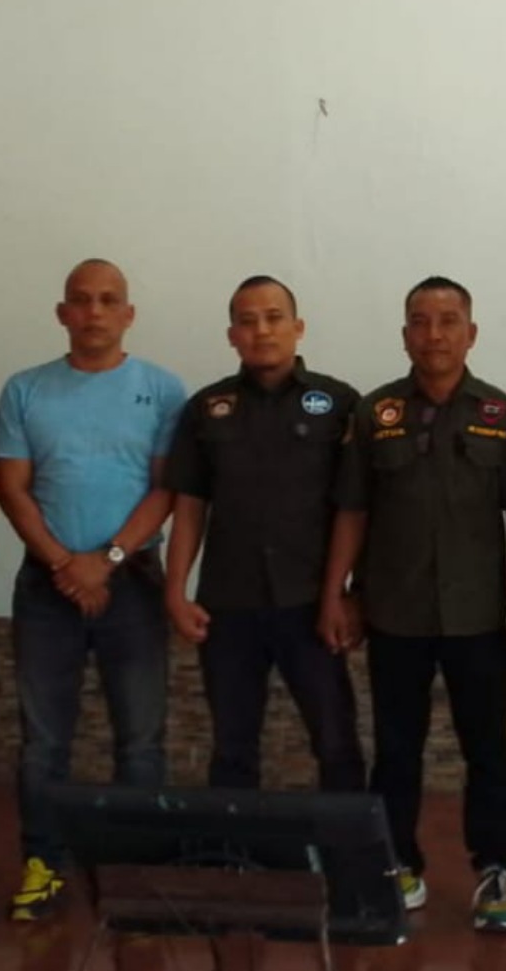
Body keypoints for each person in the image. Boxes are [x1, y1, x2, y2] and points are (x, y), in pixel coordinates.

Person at [320, 276, 506, 932]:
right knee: (396, 750)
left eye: (448, 320)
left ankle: (496, 871)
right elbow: (352, 510)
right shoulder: (374, 414)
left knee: (486, 750)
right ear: (405, 333)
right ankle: (396, 866)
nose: (434, 334)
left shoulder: (501, 415)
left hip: (478, 616)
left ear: (471, 332)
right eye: (420, 321)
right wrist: (337, 593)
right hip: (395, 612)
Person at [0, 259, 186, 921]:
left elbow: (165, 488)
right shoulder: (25, 389)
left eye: (109, 300)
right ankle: (43, 864)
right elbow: (12, 488)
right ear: (62, 314)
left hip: (131, 582)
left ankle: (135, 871)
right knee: (43, 741)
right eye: (82, 300)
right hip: (46, 586)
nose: (95, 312)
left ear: (128, 314)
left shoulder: (162, 389)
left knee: (141, 740)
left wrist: (105, 560)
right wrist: (64, 564)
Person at [164, 275, 364, 793]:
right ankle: (233, 842)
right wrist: (175, 591)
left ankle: (344, 843)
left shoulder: (340, 403)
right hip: (228, 604)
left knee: (336, 742)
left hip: (312, 601)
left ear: (298, 327)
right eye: (248, 321)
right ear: (232, 335)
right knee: (232, 747)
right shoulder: (207, 408)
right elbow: (190, 505)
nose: (262, 331)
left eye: (274, 318)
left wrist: (348, 594)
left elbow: (357, 509)